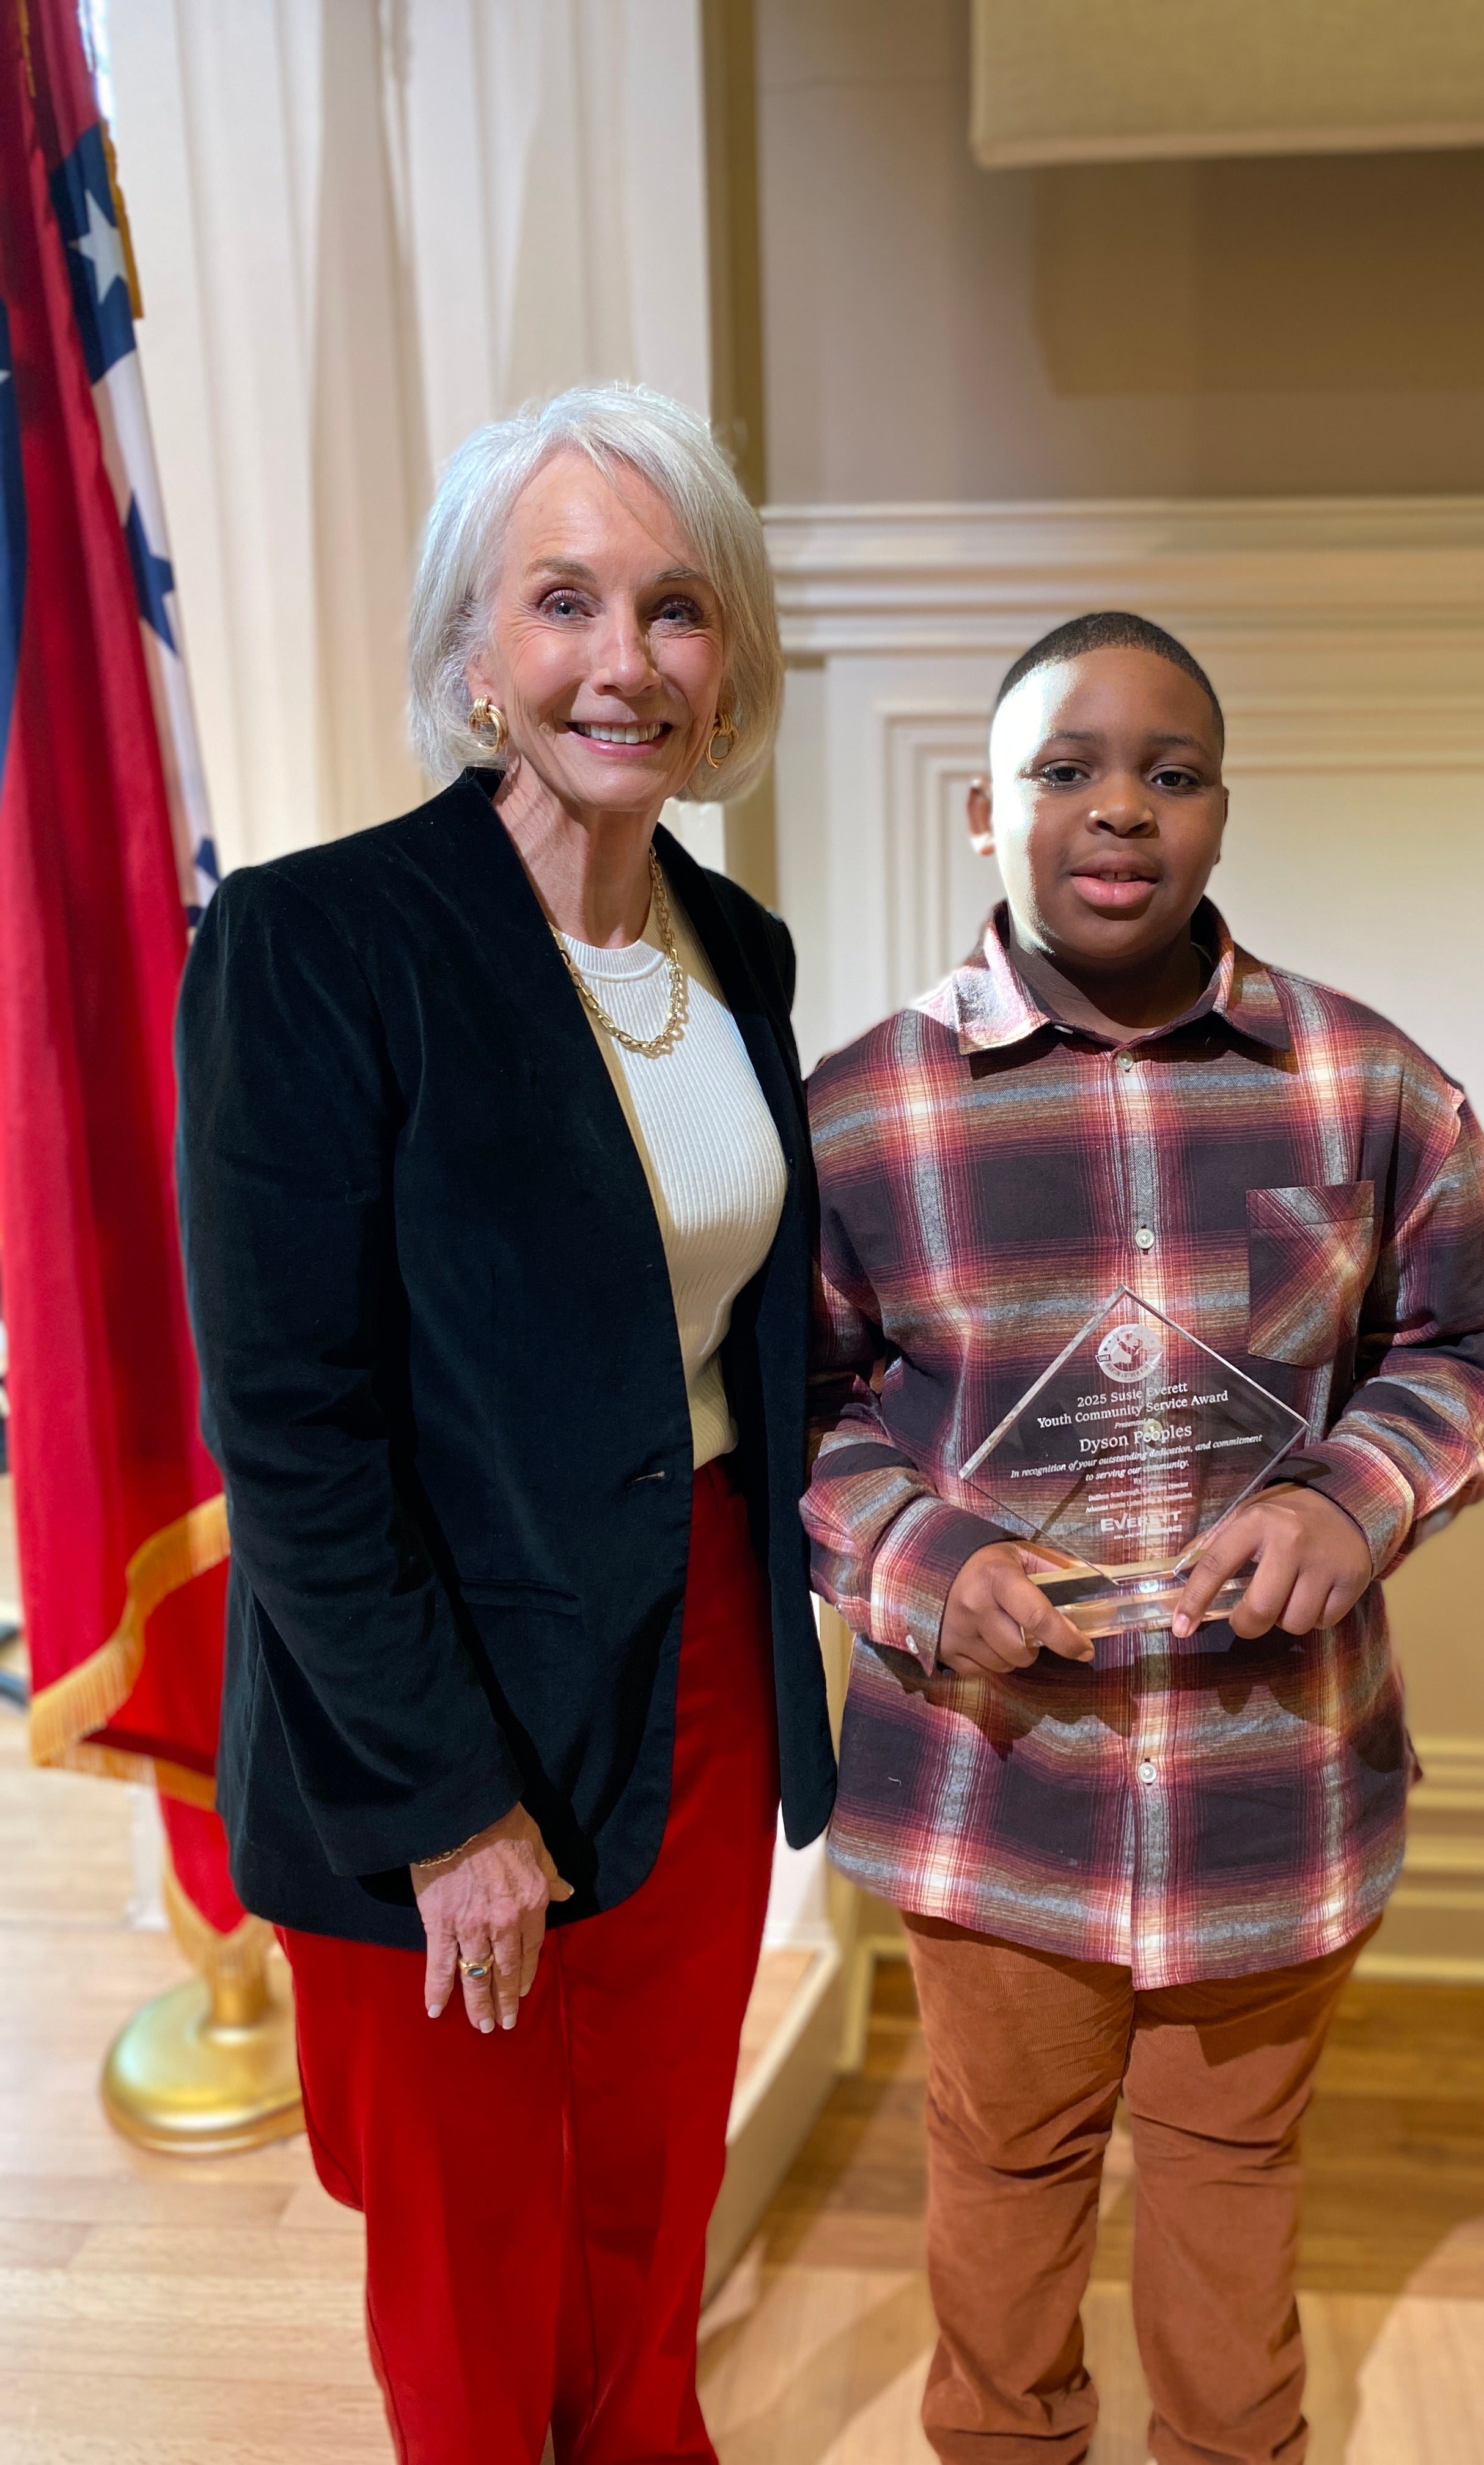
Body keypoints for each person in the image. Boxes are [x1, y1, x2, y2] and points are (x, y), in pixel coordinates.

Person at [175, 383, 834, 2465]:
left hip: (703, 1633)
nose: (621, 661)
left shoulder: (742, 950)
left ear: (727, 660)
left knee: (655, 2153)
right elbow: (290, 1427)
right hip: (430, 1680)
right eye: (564, 602)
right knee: (471, 2223)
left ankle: (650, 2439)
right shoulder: (315, 946)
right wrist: (449, 1804)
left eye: (674, 607)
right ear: (477, 650)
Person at [802, 611, 1484, 2465]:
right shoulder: (862, 1116)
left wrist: (1349, 1499)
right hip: (996, 1788)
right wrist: (917, 1561)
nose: (1117, 809)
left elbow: (1458, 1348)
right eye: (1065, 771)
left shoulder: (1374, 1092)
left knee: (1229, 2186)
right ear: (985, 812)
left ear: (1221, 812)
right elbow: (798, 1407)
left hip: (1269, 1784)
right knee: (1004, 2172)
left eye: (1169, 772)